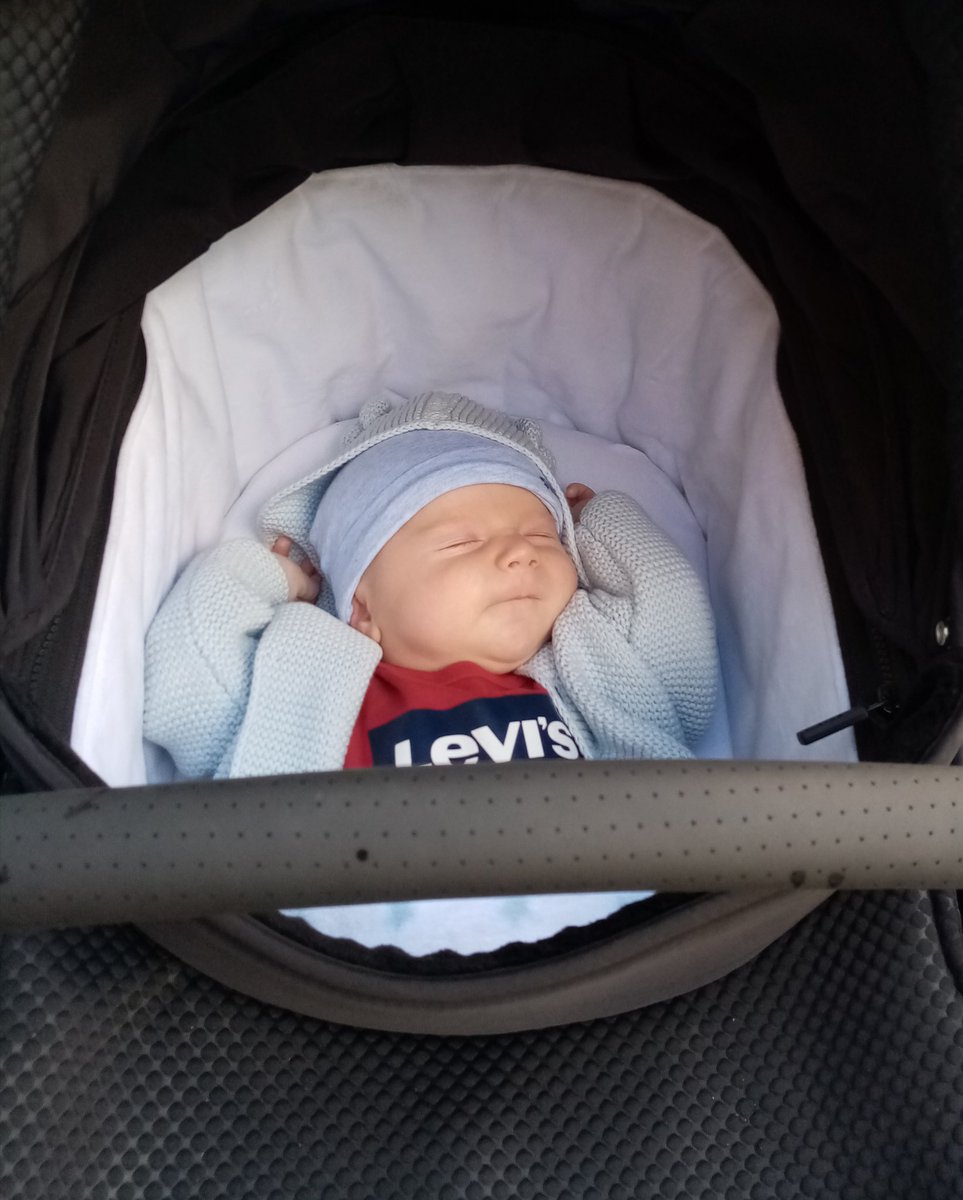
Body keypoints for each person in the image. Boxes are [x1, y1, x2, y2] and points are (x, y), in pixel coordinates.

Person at [144, 392, 718, 778]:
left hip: (593, 932)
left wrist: (601, 524)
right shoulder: (301, 677)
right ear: (362, 608)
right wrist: (270, 578)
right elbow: (184, 669)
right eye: (461, 543)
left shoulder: (591, 668)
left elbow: (675, 636)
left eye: (544, 536)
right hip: (342, 939)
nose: (520, 552)